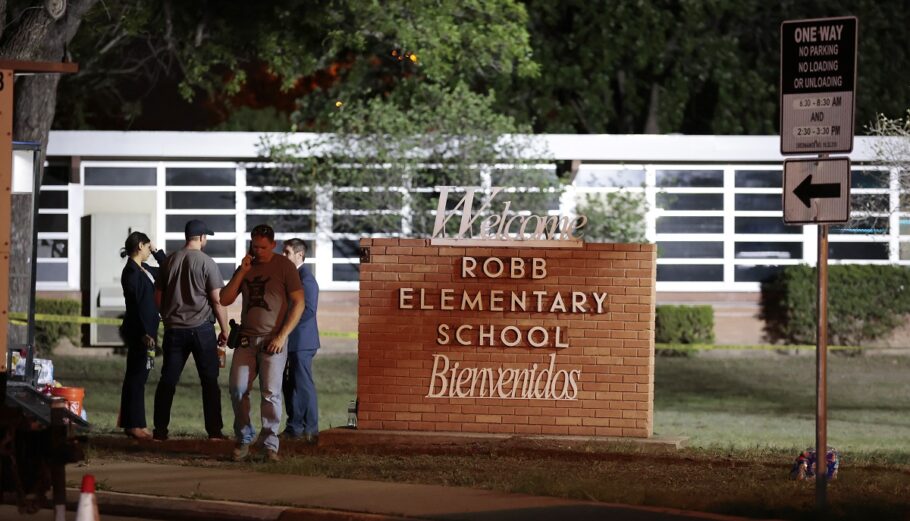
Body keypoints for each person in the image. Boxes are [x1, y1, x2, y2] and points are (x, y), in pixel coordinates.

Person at [221, 224, 304, 462]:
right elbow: (225, 299)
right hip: (246, 340)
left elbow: (299, 302)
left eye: (263, 247)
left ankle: (269, 444)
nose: (258, 251)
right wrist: (241, 271)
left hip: (273, 341)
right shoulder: (247, 266)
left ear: (273, 245)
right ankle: (244, 437)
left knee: (270, 394)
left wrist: (282, 336)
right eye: (254, 246)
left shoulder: (285, 266)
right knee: (237, 389)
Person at [152, 219, 229, 441]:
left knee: (168, 380)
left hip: (174, 330)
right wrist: (224, 329)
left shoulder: (169, 262)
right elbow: (217, 300)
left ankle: (160, 431)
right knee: (209, 382)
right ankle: (214, 432)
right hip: (201, 330)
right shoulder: (207, 262)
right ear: (202, 238)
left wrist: (168, 316)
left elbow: (158, 296)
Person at [118, 231, 166, 440]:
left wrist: (157, 252)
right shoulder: (130, 273)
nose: (149, 251)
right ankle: (134, 424)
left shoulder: (143, 269)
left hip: (149, 331)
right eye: (147, 247)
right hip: (141, 333)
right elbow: (135, 306)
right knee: (137, 376)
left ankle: (132, 422)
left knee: (141, 375)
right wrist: (143, 334)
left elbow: (166, 270)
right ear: (139, 246)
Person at [280, 238, 321, 444]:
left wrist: (286, 326)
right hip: (290, 340)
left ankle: (311, 431)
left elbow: (309, 310)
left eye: (287, 253)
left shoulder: (307, 279)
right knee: (289, 385)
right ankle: (294, 427)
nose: (283, 256)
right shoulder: (290, 277)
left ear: (300, 255)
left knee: (303, 385)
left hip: (302, 341)